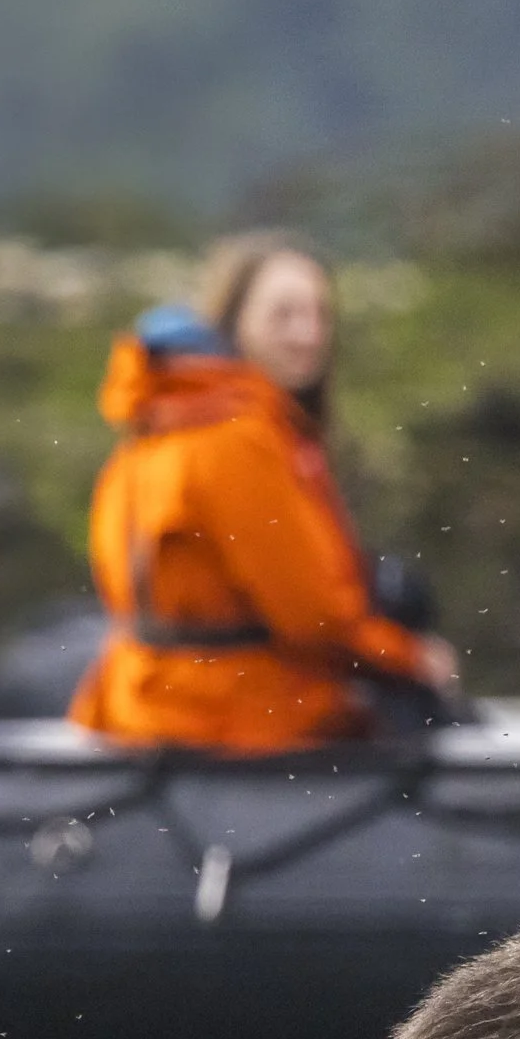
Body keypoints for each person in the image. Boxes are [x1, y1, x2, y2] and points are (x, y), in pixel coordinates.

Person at [69, 235, 459, 754]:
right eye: (284, 315)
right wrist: (413, 657)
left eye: (320, 315)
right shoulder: (239, 439)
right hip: (233, 717)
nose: (309, 334)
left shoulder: (162, 418)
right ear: (233, 321)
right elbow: (311, 618)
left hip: (143, 702)